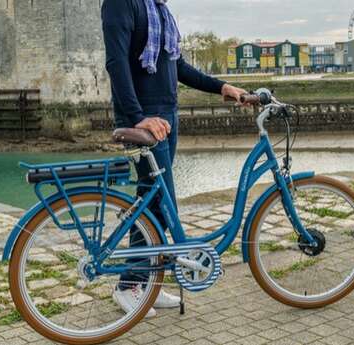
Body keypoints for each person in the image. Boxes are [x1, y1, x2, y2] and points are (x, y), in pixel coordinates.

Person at [102, 0, 247, 317]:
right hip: (144, 120)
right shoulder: (121, 4)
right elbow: (116, 63)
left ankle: (146, 282)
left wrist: (221, 86)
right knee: (160, 207)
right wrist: (138, 117)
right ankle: (129, 285)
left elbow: (176, 65)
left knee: (152, 202)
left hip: (166, 116)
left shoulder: (160, 12)